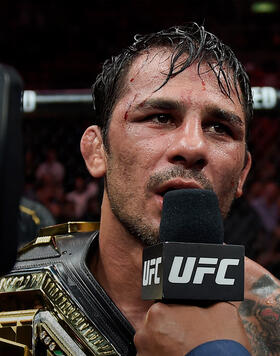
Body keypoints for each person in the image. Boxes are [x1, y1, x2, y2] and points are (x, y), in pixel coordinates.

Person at [2, 23, 280, 355]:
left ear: (242, 174)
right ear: (96, 150)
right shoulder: (11, 299)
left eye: (219, 128)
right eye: (160, 117)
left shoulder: (271, 321)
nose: (192, 146)